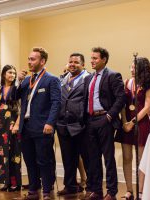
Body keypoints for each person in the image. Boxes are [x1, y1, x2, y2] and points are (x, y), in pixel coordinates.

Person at [16, 47, 61, 200]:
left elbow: (56, 103)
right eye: (28, 59)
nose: (29, 62)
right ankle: (33, 189)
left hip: (43, 126)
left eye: (33, 59)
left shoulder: (52, 79)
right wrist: (18, 80)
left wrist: (50, 123)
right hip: (26, 126)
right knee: (29, 160)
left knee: (44, 159)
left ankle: (47, 190)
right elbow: (13, 97)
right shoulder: (27, 80)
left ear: (42, 61)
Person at [83, 47, 125, 200]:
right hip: (90, 120)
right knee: (93, 158)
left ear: (104, 59)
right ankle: (96, 190)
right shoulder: (89, 78)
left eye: (95, 58)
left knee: (108, 158)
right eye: (91, 58)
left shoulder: (113, 75)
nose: (92, 61)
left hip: (105, 120)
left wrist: (108, 116)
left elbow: (121, 99)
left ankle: (112, 192)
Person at [115, 57, 150, 200]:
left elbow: (147, 106)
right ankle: (129, 190)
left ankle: (140, 191)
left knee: (140, 158)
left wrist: (132, 122)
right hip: (126, 123)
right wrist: (125, 122)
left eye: (135, 67)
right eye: (131, 67)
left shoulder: (149, 84)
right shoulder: (127, 82)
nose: (131, 70)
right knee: (127, 157)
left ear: (142, 69)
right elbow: (123, 105)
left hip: (141, 123)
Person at [56, 53, 90, 196]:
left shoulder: (88, 78)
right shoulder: (63, 79)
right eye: (70, 62)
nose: (72, 64)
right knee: (68, 158)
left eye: (76, 62)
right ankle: (70, 186)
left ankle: (92, 187)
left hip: (81, 124)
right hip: (63, 125)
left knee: (88, 158)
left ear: (83, 64)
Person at [0, 65, 22, 192]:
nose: (12, 75)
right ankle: (6, 181)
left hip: (12, 123)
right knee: (0, 153)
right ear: (4, 74)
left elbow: (21, 108)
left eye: (14, 73)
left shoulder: (17, 89)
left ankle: (15, 183)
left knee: (13, 153)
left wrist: (17, 124)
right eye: (10, 72)